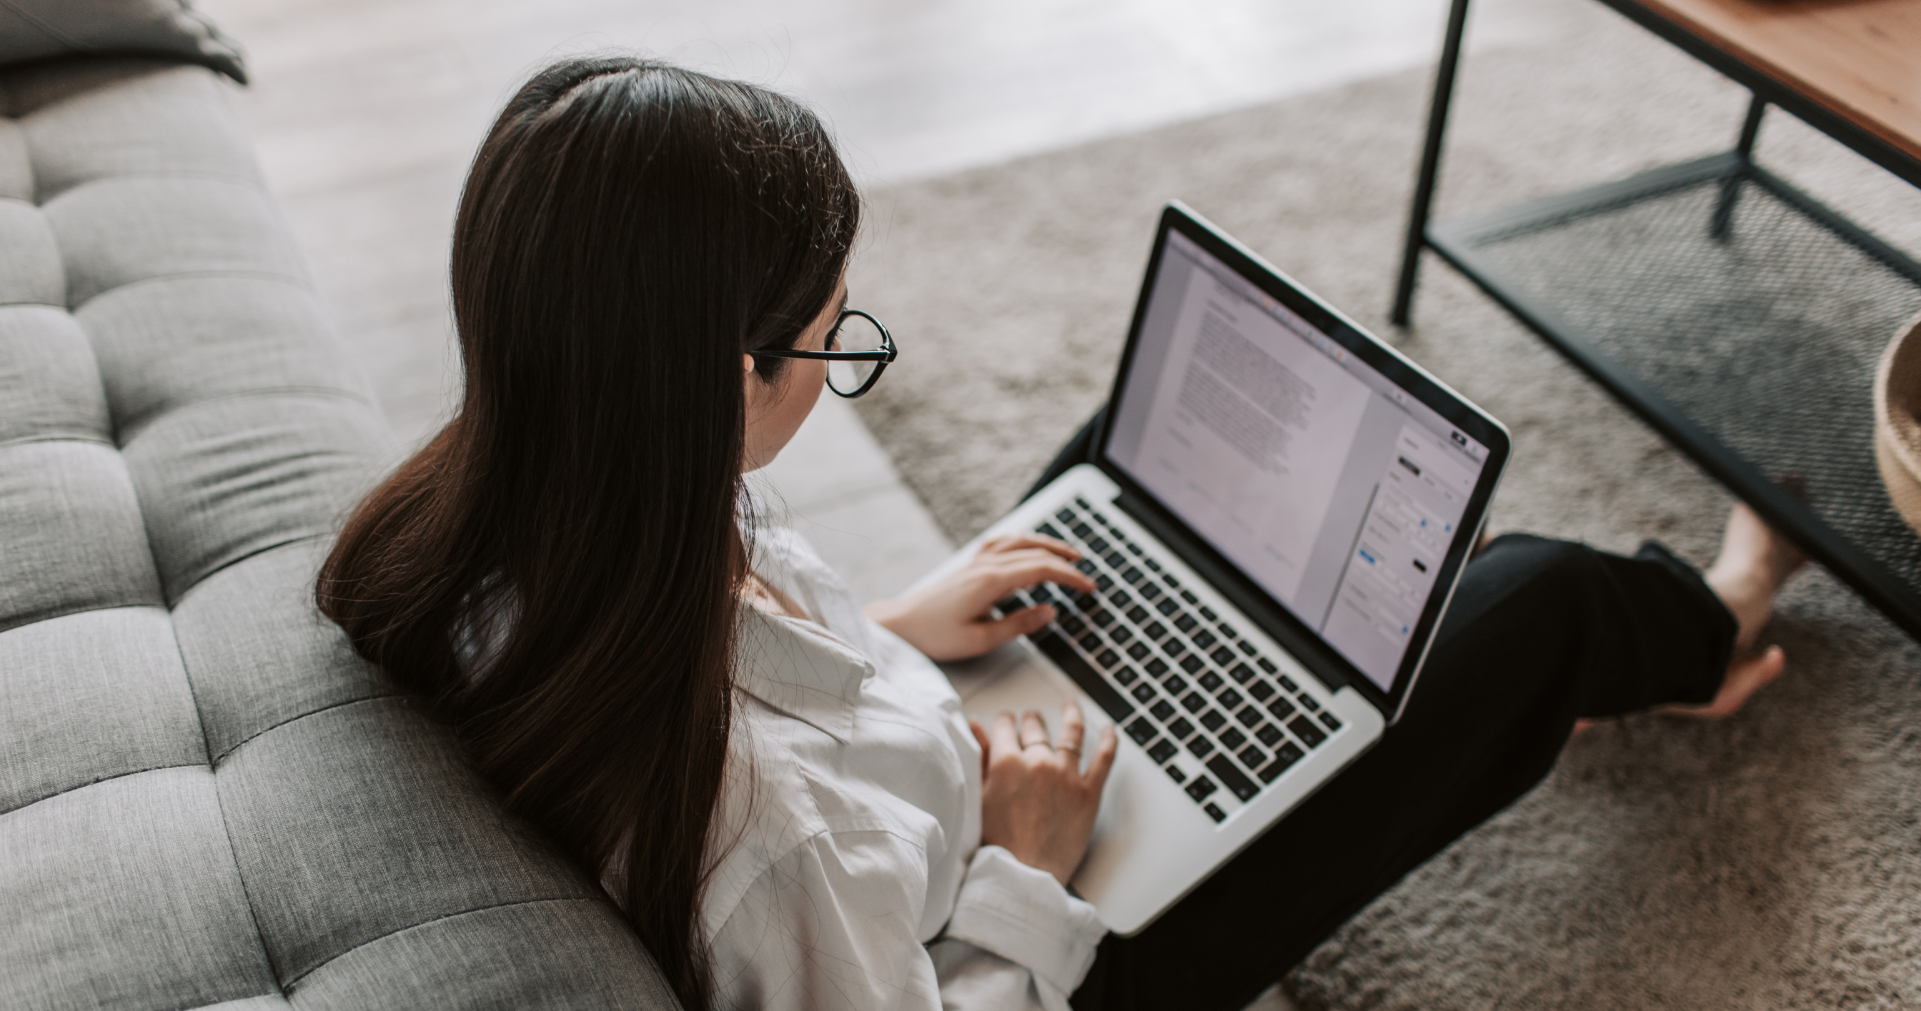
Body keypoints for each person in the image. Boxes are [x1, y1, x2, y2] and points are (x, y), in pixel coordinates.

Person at [316, 55, 1807, 1011]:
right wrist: (1032, 859)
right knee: (1530, 599)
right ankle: (1711, 623)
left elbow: (733, 683)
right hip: (1051, 935)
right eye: (838, 345)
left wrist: (892, 634)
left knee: (1125, 479)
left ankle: (1382, 644)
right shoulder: (775, 845)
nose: (844, 361)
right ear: (726, 378)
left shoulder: (519, 505)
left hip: (925, 774)